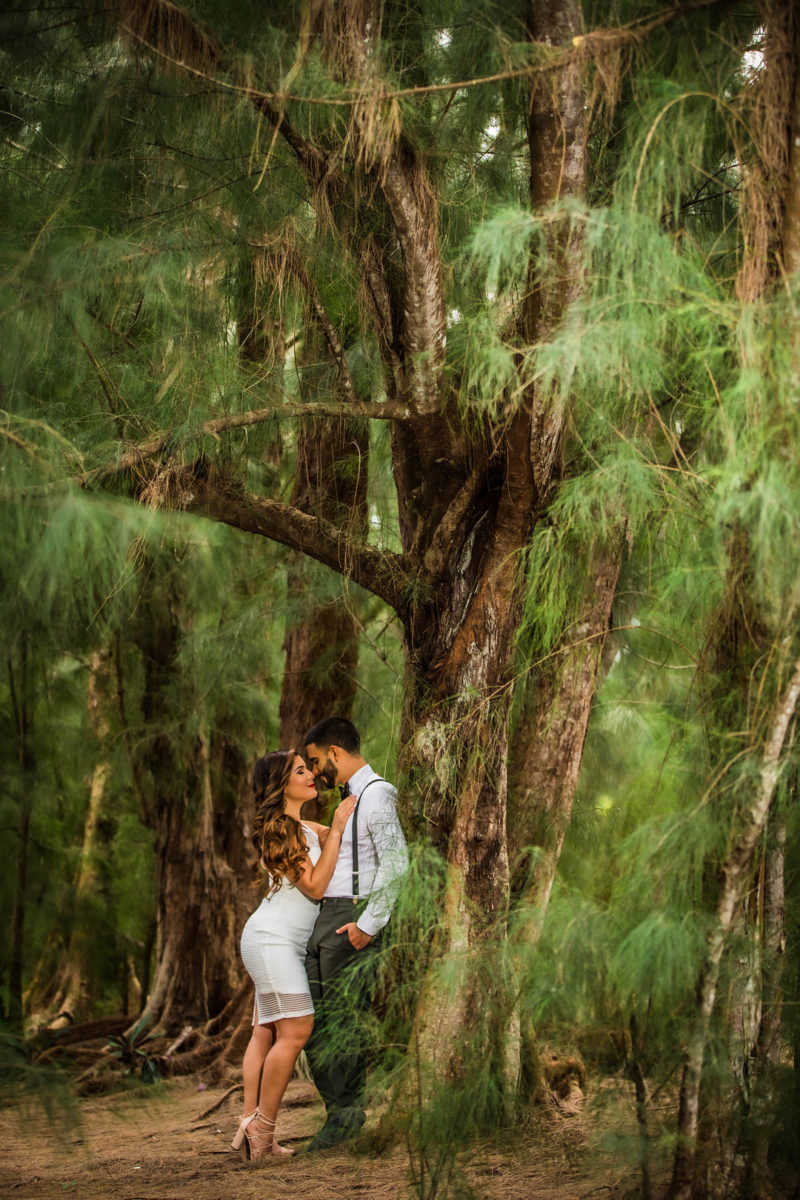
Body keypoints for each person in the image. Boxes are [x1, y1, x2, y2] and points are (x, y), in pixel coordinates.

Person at [231, 749, 357, 1163]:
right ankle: (262, 1136)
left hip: (270, 938)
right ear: (280, 784)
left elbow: (319, 838)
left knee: (265, 1032)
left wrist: (330, 830)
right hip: (274, 940)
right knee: (297, 1031)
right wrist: (336, 829)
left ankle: (251, 1127)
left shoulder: (294, 825)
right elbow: (316, 888)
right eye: (301, 771)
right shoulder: (284, 827)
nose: (312, 776)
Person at [302, 716, 408, 1152]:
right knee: (312, 1022)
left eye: (315, 761)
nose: (314, 772)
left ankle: (346, 1117)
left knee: (342, 1021)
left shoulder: (377, 794)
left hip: (352, 917)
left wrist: (367, 926)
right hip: (326, 917)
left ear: (336, 754)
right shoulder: (349, 799)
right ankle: (338, 1111)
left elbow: (396, 863)